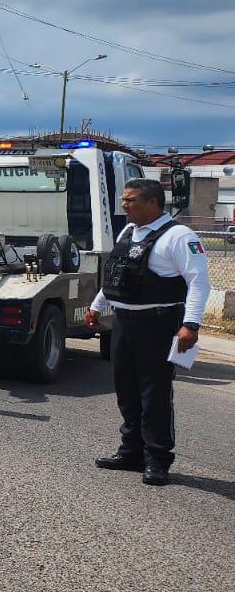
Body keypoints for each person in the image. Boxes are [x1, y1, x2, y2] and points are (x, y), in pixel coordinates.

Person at [87, 177, 210, 486]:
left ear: (153, 203)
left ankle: (157, 459)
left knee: (154, 394)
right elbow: (116, 274)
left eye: (130, 200)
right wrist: (97, 305)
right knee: (126, 390)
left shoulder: (179, 236)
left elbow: (199, 282)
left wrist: (191, 325)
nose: (124, 205)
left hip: (159, 324)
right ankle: (131, 452)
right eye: (124, 199)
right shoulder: (129, 231)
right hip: (124, 322)